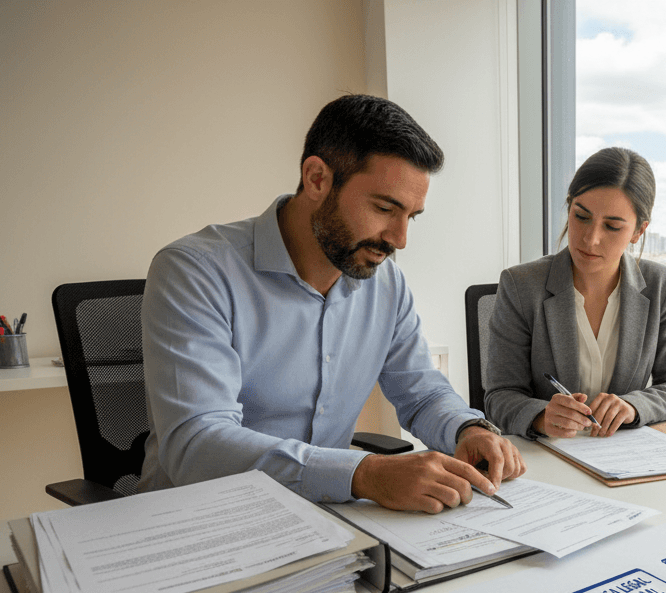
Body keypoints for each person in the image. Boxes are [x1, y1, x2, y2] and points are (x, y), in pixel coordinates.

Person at [140, 94, 524, 513]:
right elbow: (196, 443)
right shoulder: (195, 271)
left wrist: (468, 429)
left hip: (325, 517)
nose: (399, 240)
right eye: (384, 208)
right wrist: (363, 474)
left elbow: (422, 393)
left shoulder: (385, 282)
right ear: (317, 179)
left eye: (410, 217)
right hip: (199, 521)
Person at [484, 147, 666, 439]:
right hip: (548, 455)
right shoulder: (520, 286)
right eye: (581, 216)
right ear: (569, 208)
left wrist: (633, 406)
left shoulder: (661, 284)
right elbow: (500, 395)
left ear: (638, 231)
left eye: (612, 226)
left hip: (625, 458)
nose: (591, 239)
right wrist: (540, 416)